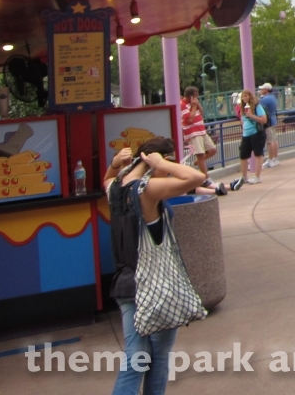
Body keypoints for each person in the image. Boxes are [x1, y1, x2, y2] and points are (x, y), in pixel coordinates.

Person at [104, 136, 206, 395]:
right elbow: (195, 177)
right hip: (157, 284)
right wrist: (163, 163)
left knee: (136, 357)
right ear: (158, 159)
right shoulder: (146, 190)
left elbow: (106, 180)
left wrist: (115, 164)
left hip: (127, 285)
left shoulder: (115, 187)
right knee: (158, 357)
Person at [234, 89, 267, 188]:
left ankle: (257, 176)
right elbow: (242, 121)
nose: (244, 98)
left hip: (256, 133)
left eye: (246, 96)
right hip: (246, 134)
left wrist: (251, 116)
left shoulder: (257, 107)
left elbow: (264, 120)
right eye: (243, 96)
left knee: (258, 154)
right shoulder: (242, 108)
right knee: (243, 155)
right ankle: (244, 177)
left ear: (250, 97)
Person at [181, 86, 216, 177]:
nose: (198, 96)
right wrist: (193, 107)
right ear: (190, 96)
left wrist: (197, 105)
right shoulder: (182, 105)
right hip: (193, 133)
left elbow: (201, 113)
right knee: (200, 155)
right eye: (196, 95)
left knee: (212, 150)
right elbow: (190, 120)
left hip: (201, 130)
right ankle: (205, 178)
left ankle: (195, 163)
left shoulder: (194, 103)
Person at [259, 83, 280, 168]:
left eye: (262, 89)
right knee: (274, 140)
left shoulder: (265, 99)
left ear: (266, 90)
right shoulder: (273, 97)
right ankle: (275, 158)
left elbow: (259, 108)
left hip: (268, 122)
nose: (260, 90)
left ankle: (270, 160)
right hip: (273, 120)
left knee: (269, 141)